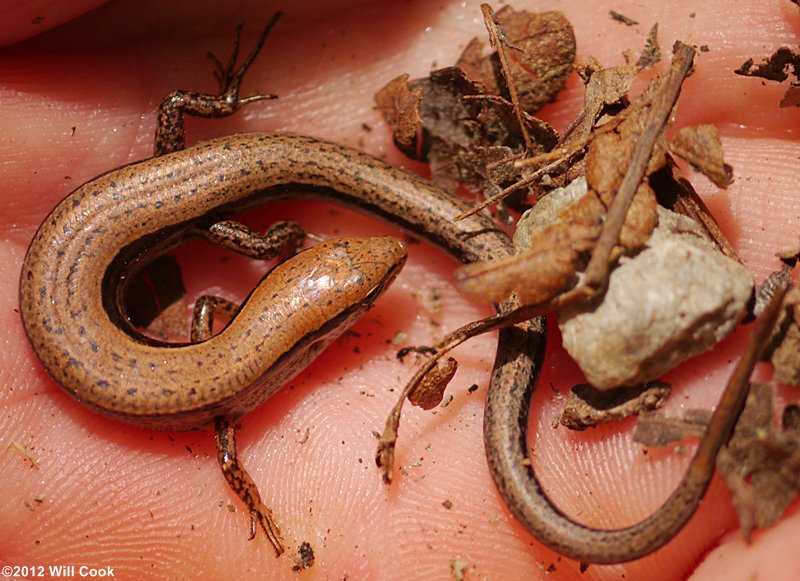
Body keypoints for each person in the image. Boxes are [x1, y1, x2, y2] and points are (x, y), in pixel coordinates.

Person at [1, 0, 798, 578]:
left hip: (129, 241)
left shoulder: (226, 353)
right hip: (134, 254)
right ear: (311, 340)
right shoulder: (223, 387)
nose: (373, 274)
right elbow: (218, 334)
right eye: (348, 309)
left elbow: (215, 313)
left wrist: (256, 259)